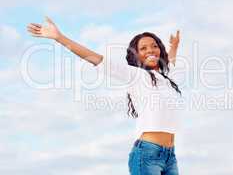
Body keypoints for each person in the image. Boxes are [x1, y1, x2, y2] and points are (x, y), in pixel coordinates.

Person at [27, 17, 183, 175]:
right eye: (143, 48)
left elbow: (170, 61)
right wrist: (60, 38)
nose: (150, 50)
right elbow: (96, 59)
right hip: (147, 155)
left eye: (154, 46)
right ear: (136, 56)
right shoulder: (135, 75)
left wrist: (175, 46)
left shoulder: (167, 79)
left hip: (170, 156)